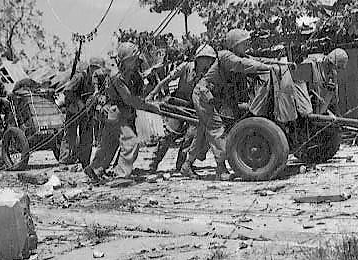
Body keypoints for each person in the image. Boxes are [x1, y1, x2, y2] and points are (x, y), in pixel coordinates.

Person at [181, 29, 270, 181]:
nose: (247, 45)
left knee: (203, 132)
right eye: (243, 43)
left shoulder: (238, 56)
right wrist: (266, 68)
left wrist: (271, 63)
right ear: (235, 44)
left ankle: (186, 165)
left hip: (209, 96)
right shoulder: (225, 56)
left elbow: (254, 60)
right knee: (217, 130)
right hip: (204, 95)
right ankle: (221, 170)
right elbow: (242, 64)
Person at [84, 42, 159, 182]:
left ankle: (95, 170)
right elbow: (129, 99)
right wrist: (150, 107)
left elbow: (138, 93)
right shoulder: (117, 76)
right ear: (128, 61)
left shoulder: (131, 74)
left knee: (109, 144)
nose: (138, 61)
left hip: (119, 113)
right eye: (135, 59)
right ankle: (121, 175)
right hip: (117, 113)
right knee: (131, 142)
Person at [145, 44, 217, 172]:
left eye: (211, 60)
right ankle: (153, 164)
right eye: (206, 59)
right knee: (169, 135)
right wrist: (151, 94)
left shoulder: (209, 75)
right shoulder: (185, 67)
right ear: (198, 59)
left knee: (191, 136)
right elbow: (166, 80)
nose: (208, 62)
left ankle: (182, 164)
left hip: (194, 107)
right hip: (178, 104)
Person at [59, 57, 105, 167]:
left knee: (87, 136)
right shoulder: (80, 77)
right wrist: (80, 104)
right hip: (74, 110)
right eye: (95, 69)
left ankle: (85, 162)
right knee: (70, 135)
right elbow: (67, 91)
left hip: (87, 112)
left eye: (99, 69)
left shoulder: (98, 80)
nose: (97, 72)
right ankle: (63, 161)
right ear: (91, 67)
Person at [302, 48, 349, 114]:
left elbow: (334, 102)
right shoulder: (312, 64)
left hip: (322, 111)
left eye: (338, 68)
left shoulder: (333, 74)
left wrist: (331, 92)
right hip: (309, 110)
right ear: (329, 62)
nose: (336, 71)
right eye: (337, 67)